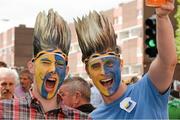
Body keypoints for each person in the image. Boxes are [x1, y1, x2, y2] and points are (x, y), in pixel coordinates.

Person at [74, 0, 177, 119]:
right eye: (95, 66)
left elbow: (167, 62)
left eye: (109, 63)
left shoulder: (147, 90)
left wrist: (162, 17)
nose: (103, 71)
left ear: (121, 64)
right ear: (88, 72)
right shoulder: (93, 118)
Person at [0, 9, 90, 119]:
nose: (53, 69)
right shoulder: (4, 111)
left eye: (59, 64)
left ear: (66, 71)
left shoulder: (80, 118)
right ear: (31, 67)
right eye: (46, 62)